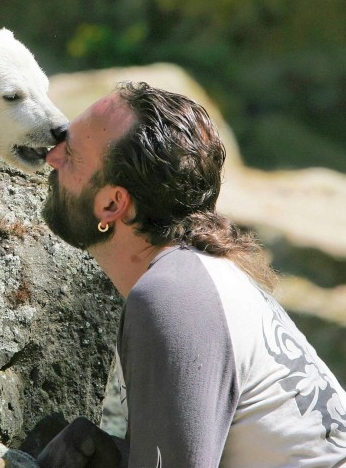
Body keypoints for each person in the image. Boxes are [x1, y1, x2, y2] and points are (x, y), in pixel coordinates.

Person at [37, 81, 346, 467]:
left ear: (113, 204)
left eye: (71, 154)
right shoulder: (204, 280)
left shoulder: (173, 296)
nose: (51, 157)